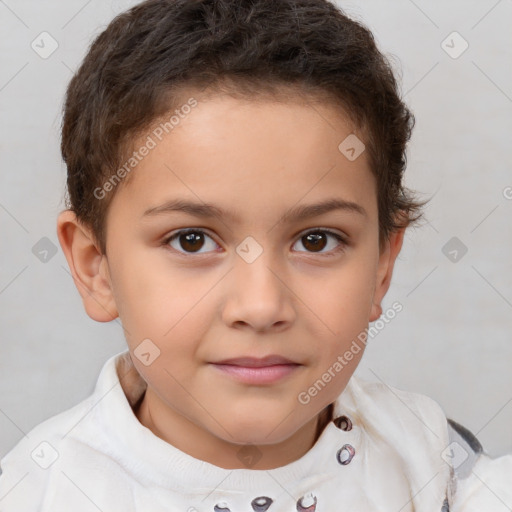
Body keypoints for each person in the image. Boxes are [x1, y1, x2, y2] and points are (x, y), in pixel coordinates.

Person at [1, 0, 510, 510]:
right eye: (192, 240)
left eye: (317, 240)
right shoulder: (36, 493)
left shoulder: (438, 469)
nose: (261, 306)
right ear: (97, 269)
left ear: (381, 265)